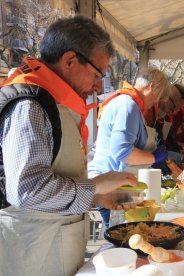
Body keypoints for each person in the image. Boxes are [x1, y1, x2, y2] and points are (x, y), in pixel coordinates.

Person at [0, 16, 138, 276]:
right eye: (98, 74)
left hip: (57, 248)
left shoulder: (59, 104)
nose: (99, 86)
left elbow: (56, 174)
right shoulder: (30, 105)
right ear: (70, 60)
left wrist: (95, 197)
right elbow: (29, 190)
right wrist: (96, 185)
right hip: (31, 255)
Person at [88, 67, 171, 227]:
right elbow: (122, 152)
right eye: (158, 97)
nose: (155, 103)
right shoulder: (128, 105)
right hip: (111, 189)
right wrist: (154, 157)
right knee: (120, 239)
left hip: (117, 186)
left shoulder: (129, 104)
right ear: (151, 87)